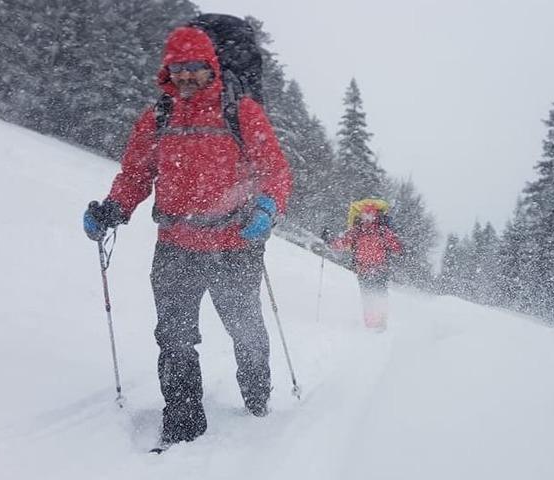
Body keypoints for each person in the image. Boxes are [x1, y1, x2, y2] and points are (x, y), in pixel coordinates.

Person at [82, 23, 291, 446]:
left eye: (195, 67)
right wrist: (113, 209)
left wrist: (267, 208)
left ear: (211, 67)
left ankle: (257, 395)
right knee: (174, 336)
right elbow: (137, 174)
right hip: (176, 247)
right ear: (167, 70)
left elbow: (275, 171)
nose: (186, 76)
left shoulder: (240, 111)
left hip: (234, 244)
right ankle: (182, 422)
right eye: (177, 69)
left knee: (244, 328)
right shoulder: (158, 116)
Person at [321, 199, 402, 331]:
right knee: (368, 297)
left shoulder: (382, 231)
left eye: (370, 215)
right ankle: (370, 325)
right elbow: (342, 243)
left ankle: (380, 324)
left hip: (380, 269)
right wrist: (329, 240)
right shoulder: (357, 231)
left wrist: (400, 249)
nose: (367, 218)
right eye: (365, 215)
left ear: (376, 215)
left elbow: (396, 245)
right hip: (363, 270)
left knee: (379, 296)